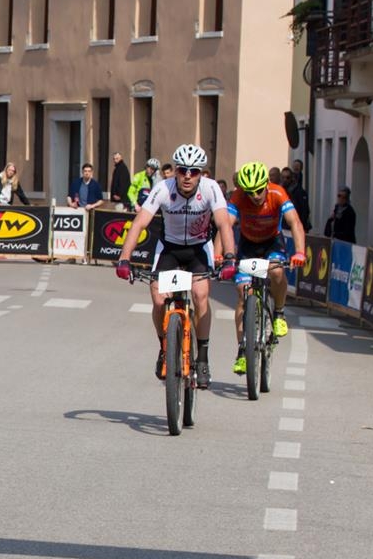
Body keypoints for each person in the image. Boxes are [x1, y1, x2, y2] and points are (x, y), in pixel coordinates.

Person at [115, 144, 236, 390]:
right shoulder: (163, 188)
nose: (188, 176)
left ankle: (202, 358)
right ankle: (164, 347)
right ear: (176, 172)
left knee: (201, 295)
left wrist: (230, 258)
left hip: (199, 249)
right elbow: (139, 224)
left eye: (194, 171)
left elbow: (224, 224)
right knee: (159, 299)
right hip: (169, 248)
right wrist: (124, 259)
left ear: (202, 173)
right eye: (182, 170)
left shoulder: (211, 189)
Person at [226, 161, 307, 374]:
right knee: (243, 296)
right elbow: (226, 225)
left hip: (272, 242)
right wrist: (222, 255)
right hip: (247, 245)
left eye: (259, 190)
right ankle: (243, 352)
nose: (255, 196)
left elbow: (296, 223)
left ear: (266, 184)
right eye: (250, 192)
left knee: (277, 271)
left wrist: (300, 252)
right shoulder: (238, 197)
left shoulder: (278, 193)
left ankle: (279, 314)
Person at [280, 167, 312, 232]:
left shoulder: (299, 192)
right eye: (283, 177)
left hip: (295, 228)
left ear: (291, 178)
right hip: (282, 227)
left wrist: (300, 227)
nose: (285, 180)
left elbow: (305, 211)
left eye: (287, 177)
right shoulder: (280, 191)